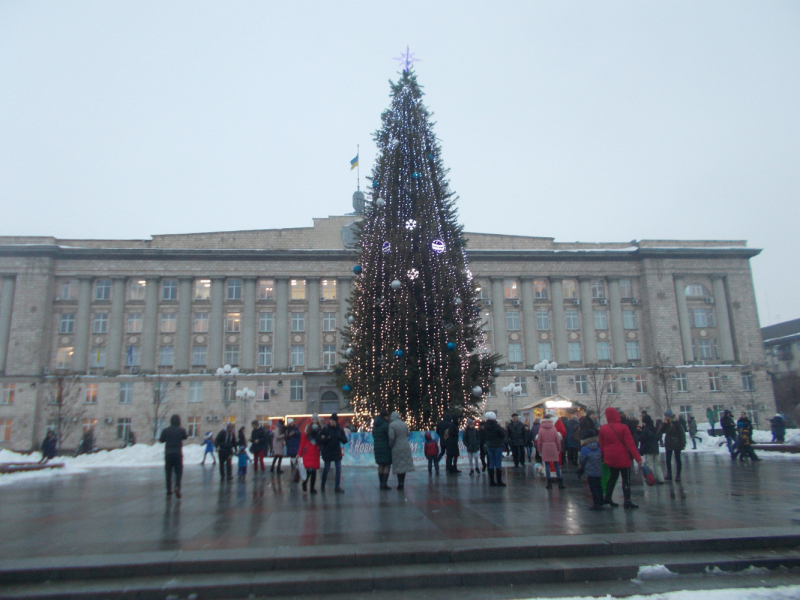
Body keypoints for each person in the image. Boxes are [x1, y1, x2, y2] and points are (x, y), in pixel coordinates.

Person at [598, 407, 643, 509]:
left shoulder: (603, 428)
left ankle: (608, 497)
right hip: (623, 457)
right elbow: (630, 444)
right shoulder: (623, 427)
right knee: (626, 478)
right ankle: (627, 500)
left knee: (612, 477)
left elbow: (602, 445)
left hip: (610, 457)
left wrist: (603, 457)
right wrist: (638, 458)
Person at [160, 414, 188, 498]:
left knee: (168, 473)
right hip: (178, 454)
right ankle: (177, 486)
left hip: (168, 454)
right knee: (178, 472)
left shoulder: (166, 430)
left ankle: (169, 490)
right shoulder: (181, 430)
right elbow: (185, 437)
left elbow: (161, 440)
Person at [319, 413, 347, 493]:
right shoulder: (326, 429)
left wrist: (340, 436)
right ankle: (323, 484)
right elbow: (320, 439)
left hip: (336, 452)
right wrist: (327, 438)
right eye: (330, 420)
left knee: (338, 469)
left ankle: (337, 486)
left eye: (333, 420)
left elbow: (345, 440)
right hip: (327, 451)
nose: (331, 422)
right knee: (326, 469)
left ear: (336, 421)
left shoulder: (339, 429)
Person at [537, 412, 565, 489]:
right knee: (556, 465)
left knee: (547, 465)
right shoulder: (554, 428)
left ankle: (549, 483)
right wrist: (559, 449)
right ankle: (560, 482)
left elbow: (539, 441)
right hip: (553, 447)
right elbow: (557, 440)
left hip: (545, 448)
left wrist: (539, 450)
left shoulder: (541, 429)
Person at [388, 411, 415, 489]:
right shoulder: (404, 424)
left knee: (398, 466)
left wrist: (391, 445)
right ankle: (402, 482)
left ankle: (400, 483)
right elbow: (407, 434)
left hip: (396, 447)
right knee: (404, 466)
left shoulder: (391, 425)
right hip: (405, 445)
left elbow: (391, 437)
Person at [578, 429, 604, 510]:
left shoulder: (585, 448)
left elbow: (582, 460)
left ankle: (596, 503)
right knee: (599, 486)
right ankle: (601, 501)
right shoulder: (598, 446)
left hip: (590, 470)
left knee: (593, 487)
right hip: (599, 469)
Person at [638, 415, 665, 484]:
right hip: (655, 448)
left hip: (648, 449)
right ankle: (660, 479)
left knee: (649, 464)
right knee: (657, 464)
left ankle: (652, 479)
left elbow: (641, 439)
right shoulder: (655, 428)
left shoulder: (646, 430)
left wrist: (639, 432)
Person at [297, 418, 321, 493]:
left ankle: (312, 488)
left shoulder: (319, 430)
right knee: (309, 470)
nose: (314, 421)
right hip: (308, 452)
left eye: (316, 420)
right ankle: (305, 483)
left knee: (314, 471)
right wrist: (299, 453)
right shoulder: (306, 430)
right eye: (313, 419)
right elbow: (302, 442)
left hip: (316, 451)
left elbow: (321, 441)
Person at [483, 412, 506, 487]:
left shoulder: (486, 426)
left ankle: (491, 481)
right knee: (498, 463)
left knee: (491, 463)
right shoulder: (497, 426)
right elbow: (502, 434)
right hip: (497, 446)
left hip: (489, 445)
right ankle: (499, 481)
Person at [662, 409, 686, 482]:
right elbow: (662, 430)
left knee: (677, 459)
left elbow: (682, 433)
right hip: (669, 443)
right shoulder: (667, 423)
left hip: (676, 443)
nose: (665, 417)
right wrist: (665, 423)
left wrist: (683, 444)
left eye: (666, 416)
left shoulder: (676, 423)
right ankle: (669, 474)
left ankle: (678, 475)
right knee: (668, 459)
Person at [373, 410, 392, 489]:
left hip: (377, 447)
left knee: (380, 464)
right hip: (386, 447)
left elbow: (373, 435)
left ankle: (381, 483)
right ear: (385, 416)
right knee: (387, 464)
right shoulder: (386, 425)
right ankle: (384, 484)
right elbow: (390, 435)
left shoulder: (375, 425)